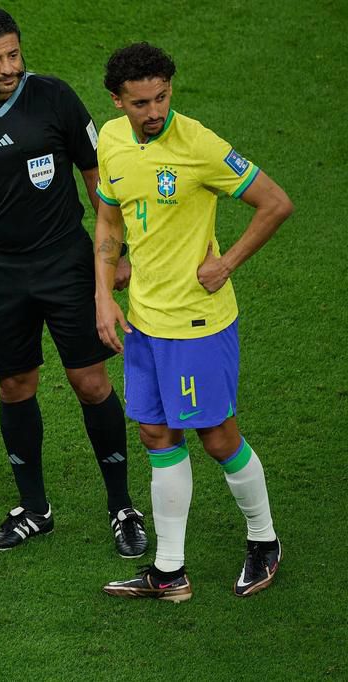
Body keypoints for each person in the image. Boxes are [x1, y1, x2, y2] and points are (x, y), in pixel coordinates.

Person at [0, 7, 147, 557]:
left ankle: (122, 507)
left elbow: (100, 183)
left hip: (66, 262)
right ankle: (35, 509)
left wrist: (116, 255)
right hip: (0, 272)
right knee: (14, 386)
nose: (7, 67)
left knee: (90, 383)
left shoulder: (54, 98)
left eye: (14, 54)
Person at [93, 43, 293, 601]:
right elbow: (108, 220)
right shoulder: (111, 140)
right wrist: (103, 296)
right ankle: (169, 571)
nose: (154, 110)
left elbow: (275, 202)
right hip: (145, 322)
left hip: (198, 323)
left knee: (216, 435)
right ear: (118, 101)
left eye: (161, 97)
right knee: (157, 434)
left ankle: (264, 538)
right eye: (140, 102)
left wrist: (226, 262)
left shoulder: (199, 144)